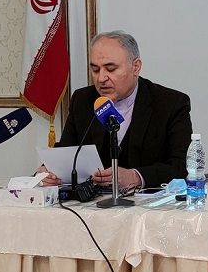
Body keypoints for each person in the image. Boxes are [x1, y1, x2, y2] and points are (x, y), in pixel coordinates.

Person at [39, 30, 193, 191]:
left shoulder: (171, 104)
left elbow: (182, 166)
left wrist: (136, 176)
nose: (101, 78)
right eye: (95, 70)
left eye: (111, 69)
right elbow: (66, 153)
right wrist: (47, 173)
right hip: (94, 202)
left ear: (136, 67)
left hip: (150, 203)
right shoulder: (82, 100)